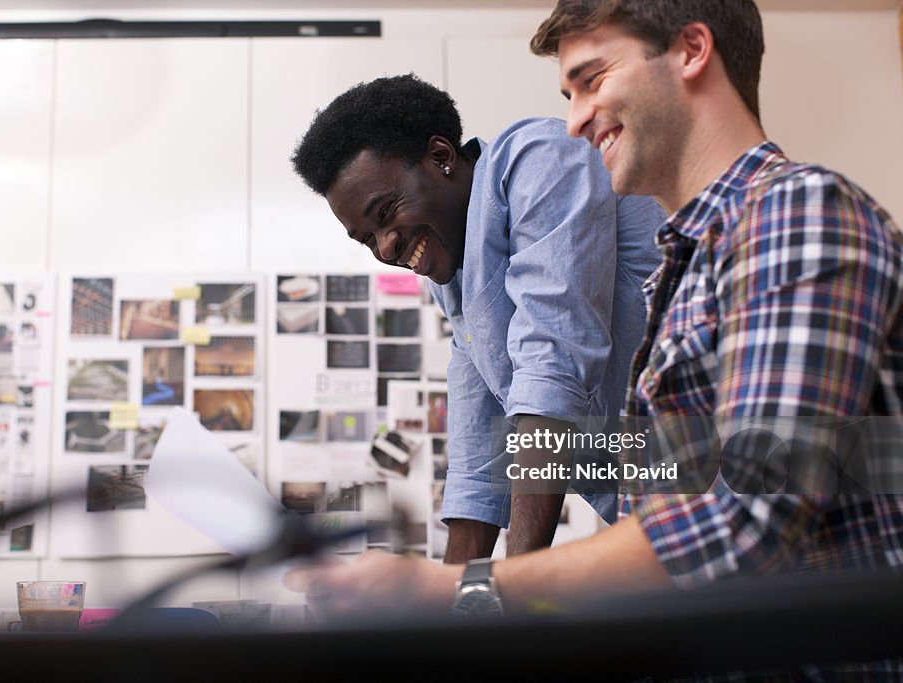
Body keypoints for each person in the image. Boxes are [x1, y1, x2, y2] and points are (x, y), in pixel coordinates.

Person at [287, 1, 903, 670]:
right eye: (568, 94)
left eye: (593, 79)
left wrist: (467, 592)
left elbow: (750, 517)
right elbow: (491, 448)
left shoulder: (797, 212)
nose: (576, 118)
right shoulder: (683, 265)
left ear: (693, 51)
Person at [291, 74, 665, 561]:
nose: (385, 247)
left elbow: (552, 370)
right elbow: (478, 464)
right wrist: (457, 608)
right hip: (662, 512)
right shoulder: (454, 279)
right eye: (367, 239)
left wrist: (511, 593)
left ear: (442, 157)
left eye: (386, 213)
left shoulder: (540, 157)